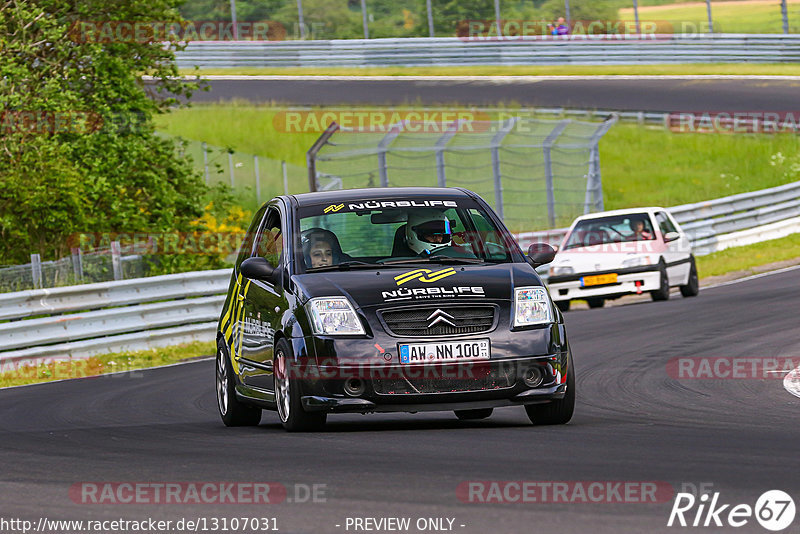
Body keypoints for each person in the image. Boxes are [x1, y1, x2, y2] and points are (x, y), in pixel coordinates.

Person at [403, 210, 476, 258]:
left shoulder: (463, 256)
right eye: (431, 236)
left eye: (441, 235)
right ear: (412, 235)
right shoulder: (403, 264)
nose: (438, 240)